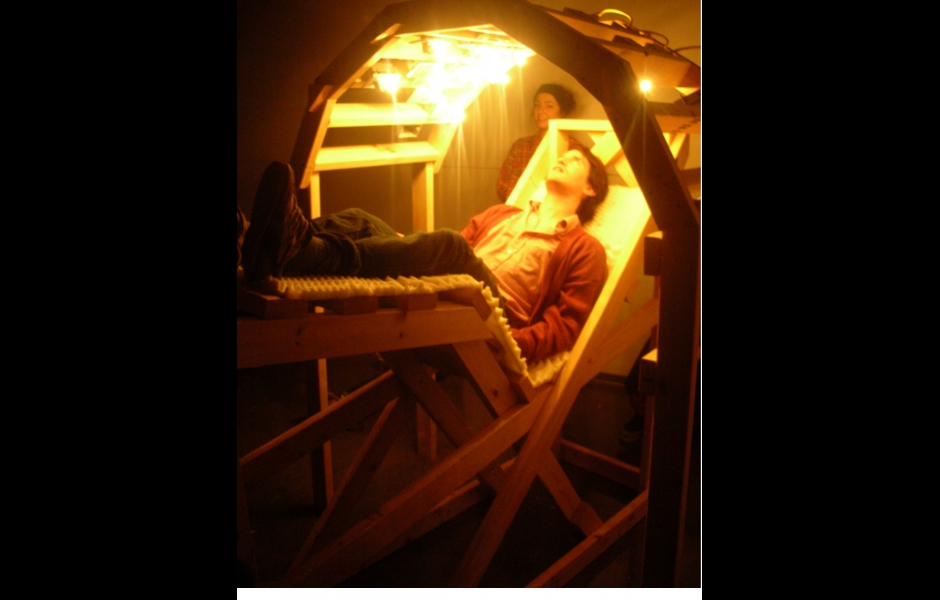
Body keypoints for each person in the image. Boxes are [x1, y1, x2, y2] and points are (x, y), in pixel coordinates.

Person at [241, 146, 609, 364]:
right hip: (454, 284)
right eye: (562, 154)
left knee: (450, 244)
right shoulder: (504, 214)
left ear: (590, 187)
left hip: (494, 310)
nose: (562, 158)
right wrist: (403, 243)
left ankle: (299, 250)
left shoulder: (584, 249)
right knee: (362, 220)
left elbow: (565, 325)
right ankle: (260, 243)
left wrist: (515, 343)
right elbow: (440, 255)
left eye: (574, 159)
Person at [496, 83, 578, 203]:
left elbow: (576, 188)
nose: (540, 111)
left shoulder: (575, 149)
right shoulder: (520, 146)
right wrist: (528, 199)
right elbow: (503, 183)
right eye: (537, 105)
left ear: (562, 111)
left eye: (549, 106)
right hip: (520, 212)